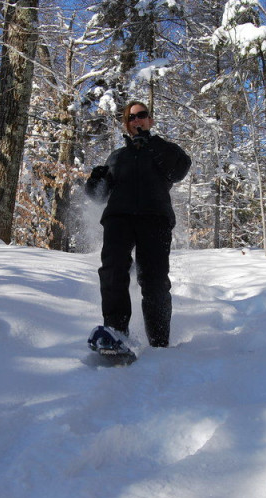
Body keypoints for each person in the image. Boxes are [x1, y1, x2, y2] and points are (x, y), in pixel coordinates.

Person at [85, 101, 191, 348]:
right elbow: (98, 197)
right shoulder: (117, 156)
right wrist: (94, 181)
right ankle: (115, 333)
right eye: (131, 118)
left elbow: (180, 169)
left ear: (150, 120)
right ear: (126, 124)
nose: (136, 121)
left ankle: (158, 342)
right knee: (113, 271)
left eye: (141, 115)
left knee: (153, 279)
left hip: (155, 218)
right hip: (118, 218)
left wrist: (151, 143)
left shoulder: (164, 150)